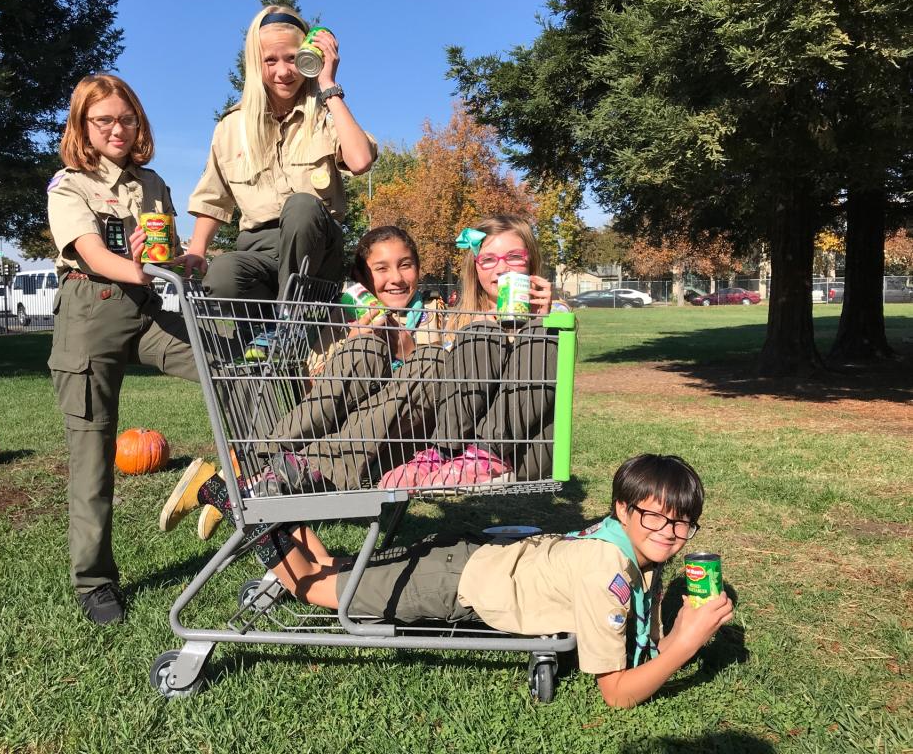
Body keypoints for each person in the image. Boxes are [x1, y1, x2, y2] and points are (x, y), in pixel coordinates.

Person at [248, 453, 735, 708]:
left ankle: (265, 505)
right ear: (623, 510)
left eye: (682, 523)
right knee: (313, 587)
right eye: (654, 517)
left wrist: (678, 628)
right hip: (451, 581)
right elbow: (617, 695)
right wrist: (684, 645)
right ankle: (238, 508)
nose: (669, 533)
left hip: (472, 556)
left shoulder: (626, 543)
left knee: (330, 566)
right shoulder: (606, 569)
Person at [160, 226, 445, 538]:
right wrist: (352, 342)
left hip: (397, 437)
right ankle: (258, 472)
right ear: (362, 277)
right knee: (365, 350)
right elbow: (316, 388)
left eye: (405, 265)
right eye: (382, 268)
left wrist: (405, 348)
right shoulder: (345, 314)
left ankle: (243, 477)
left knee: (432, 360)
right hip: (337, 430)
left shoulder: (435, 315)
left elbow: (451, 389)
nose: (396, 278)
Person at [47, 74, 201, 625]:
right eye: (104, 120)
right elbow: (92, 254)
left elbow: (167, 253)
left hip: (146, 311)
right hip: (89, 315)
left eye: (127, 118)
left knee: (221, 366)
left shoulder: (152, 183)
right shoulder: (69, 186)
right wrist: (137, 266)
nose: (118, 129)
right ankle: (94, 581)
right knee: (93, 454)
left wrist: (186, 260)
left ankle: (239, 493)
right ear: (83, 127)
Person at [183, 5, 377, 302]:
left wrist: (328, 85)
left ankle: (290, 318)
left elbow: (360, 160)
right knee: (222, 273)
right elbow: (213, 198)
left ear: (309, 58)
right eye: (270, 60)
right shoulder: (231, 127)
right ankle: (266, 329)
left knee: (301, 206)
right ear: (255, 63)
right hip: (259, 251)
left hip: (317, 256)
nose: (283, 72)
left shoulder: (326, 115)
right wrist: (197, 250)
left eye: (292, 58)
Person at [381, 215, 568, 489]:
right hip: (460, 449)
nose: (502, 269)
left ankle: (487, 453)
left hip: (526, 447)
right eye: (488, 260)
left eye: (514, 257)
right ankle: (442, 452)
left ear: (531, 261)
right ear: (476, 268)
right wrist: (479, 330)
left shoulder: (555, 313)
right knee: (478, 331)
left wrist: (541, 319)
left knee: (545, 331)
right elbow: (447, 381)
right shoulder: (461, 319)